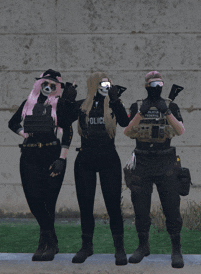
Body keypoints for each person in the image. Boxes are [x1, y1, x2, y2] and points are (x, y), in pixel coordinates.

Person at [8, 69, 75, 262]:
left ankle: (45, 244)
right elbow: (13, 123)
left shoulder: (60, 105)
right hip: (29, 155)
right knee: (34, 199)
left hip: (52, 154)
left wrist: (62, 159)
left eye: (53, 85)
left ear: (57, 87)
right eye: (46, 83)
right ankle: (50, 238)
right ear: (39, 84)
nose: (48, 87)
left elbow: (68, 132)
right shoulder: (28, 104)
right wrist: (24, 134)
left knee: (48, 201)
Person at [123, 71, 186, 269]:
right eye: (152, 83)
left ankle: (176, 249)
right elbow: (127, 131)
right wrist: (140, 112)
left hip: (166, 162)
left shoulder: (170, 105)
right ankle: (143, 246)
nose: (156, 87)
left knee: (171, 208)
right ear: (146, 86)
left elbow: (181, 130)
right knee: (140, 208)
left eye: (159, 83)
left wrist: (166, 112)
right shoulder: (136, 105)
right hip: (142, 162)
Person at [68, 72, 130, 266]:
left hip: (108, 157)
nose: (107, 86)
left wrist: (117, 101)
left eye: (109, 83)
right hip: (85, 157)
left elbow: (126, 123)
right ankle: (87, 246)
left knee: (113, 205)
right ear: (93, 85)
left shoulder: (112, 104)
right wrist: (66, 100)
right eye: (103, 83)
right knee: (85, 205)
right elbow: (62, 120)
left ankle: (119, 248)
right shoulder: (81, 105)